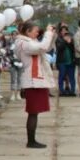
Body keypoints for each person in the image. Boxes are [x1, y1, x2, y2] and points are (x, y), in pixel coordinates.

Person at [17, 21, 55, 149]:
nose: (38, 33)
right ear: (28, 32)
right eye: (35, 30)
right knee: (33, 112)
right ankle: (31, 141)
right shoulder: (24, 43)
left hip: (35, 80)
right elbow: (42, 48)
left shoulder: (28, 42)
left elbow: (46, 47)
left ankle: (32, 140)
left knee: (35, 112)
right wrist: (48, 33)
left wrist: (51, 35)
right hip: (32, 81)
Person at [55, 27, 76, 96]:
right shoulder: (58, 39)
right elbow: (59, 48)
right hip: (62, 62)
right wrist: (64, 41)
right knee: (61, 76)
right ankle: (62, 91)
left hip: (71, 61)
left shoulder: (71, 39)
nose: (64, 32)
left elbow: (73, 49)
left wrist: (70, 43)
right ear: (60, 32)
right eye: (62, 31)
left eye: (65, 31)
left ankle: (72, 91)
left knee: (71, 77)